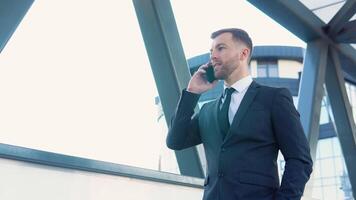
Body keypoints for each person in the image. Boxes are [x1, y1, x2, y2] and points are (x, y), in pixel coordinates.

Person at [166, 28, 313, 200]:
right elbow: (175, 141)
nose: (213, 56)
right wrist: (191, 93)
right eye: (211, 51)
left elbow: (300, 160)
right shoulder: (207, 111)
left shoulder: (274, 99)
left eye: (220, 48)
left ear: (243, 53)